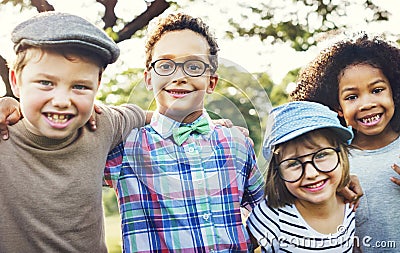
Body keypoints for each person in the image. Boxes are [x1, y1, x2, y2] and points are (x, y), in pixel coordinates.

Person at [104, 13, 265, 252]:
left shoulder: (237, 143)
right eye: (166, 65)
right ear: (149, 79)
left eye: (193, 66)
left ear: (211, 82)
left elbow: (264, 214)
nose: (179, 77)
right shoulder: (125, 147)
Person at [0, 11, 146, 252]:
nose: (61, 100)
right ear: (16, 81)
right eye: (46, 83)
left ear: (97, 87)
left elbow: (148, 116)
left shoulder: (103, 123)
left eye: (80, 87)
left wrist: (211, 123)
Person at [291, 31, 400, 252]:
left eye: (377, 90)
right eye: (352, 96)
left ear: (395, 92)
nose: (367, 103)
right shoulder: (329, 163)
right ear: (337, 108)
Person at [247, 101, 355, 252]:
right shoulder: (272, 215)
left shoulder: (350, 205)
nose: (311, 174)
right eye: (293, 163)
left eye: (322, 155)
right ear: (278, 172)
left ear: (341, 155)